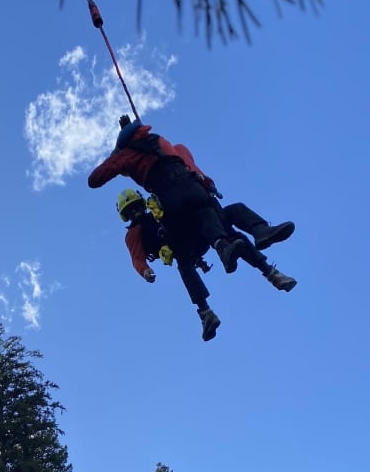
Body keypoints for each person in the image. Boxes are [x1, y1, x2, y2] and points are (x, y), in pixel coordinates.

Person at [89, 115, 295, 280]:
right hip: (194, 189)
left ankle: (207, 304)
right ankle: (260, 239)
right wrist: (208, 184)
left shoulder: (127, 158)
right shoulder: (165, 143)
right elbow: (189, 163)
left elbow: (95, 179)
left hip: (175, 209)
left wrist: (117, 154)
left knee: (193, 253)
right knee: (224, 221)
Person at [116, 188, 297, 341]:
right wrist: (145, 271)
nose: (136, 213)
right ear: (127, 216)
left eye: (137, 208)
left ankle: (264, 245)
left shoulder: (157, 211)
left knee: (233, 218)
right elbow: (137, 258)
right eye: (132, 211)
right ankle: (205, 312)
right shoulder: (133, 233)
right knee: (185, 266)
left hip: (196, 232)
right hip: (183, 247)